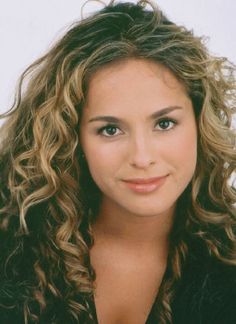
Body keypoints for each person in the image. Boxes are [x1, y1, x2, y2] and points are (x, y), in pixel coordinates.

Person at [0, 0, 236, 323]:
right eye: (110, 129)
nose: (141, 157)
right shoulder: (12, 248)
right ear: (72, 137)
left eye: (164, 124)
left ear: (200, 121)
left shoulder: (230, 259)